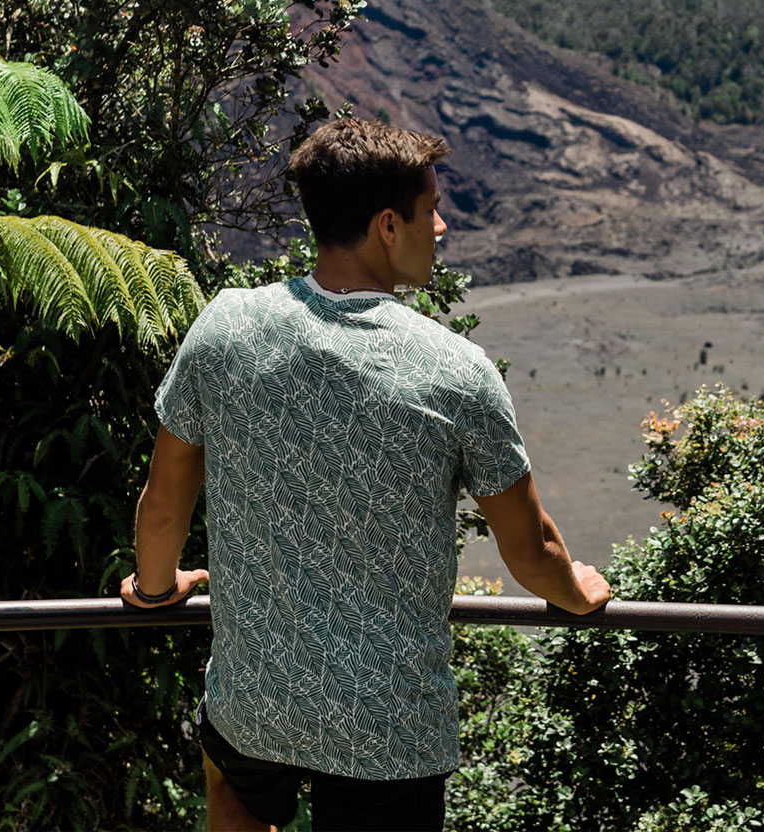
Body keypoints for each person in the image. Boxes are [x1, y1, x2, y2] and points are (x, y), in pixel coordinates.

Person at [120, 118, 612, 832]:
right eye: (430, 209)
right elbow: (530, 550)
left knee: (229, 793)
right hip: (386, 731)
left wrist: (155, 590)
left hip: (258, 703)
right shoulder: (455, 371)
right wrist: (578, 591)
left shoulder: (225, 326)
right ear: (388, 224)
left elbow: (165, 499)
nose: (440, 226)